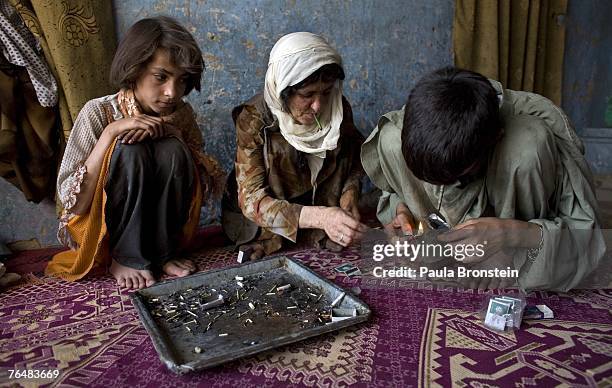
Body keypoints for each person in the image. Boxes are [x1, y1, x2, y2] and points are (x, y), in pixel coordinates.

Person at [361, 66, 605, 291]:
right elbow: (394, 193)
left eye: (459, 177)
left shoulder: (533, 134)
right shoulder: (410, 130)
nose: (445, 190)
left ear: (495, 139)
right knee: (391, 137)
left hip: (518, 243)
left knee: (526, 145)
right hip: (440, 242)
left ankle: (509, 261)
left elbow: (586, 239)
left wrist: (510, 235)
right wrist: (402, 211)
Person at [47, 16, 224, 290]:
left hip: (166, 232)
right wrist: (111, 134)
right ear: (134, 70)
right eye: (161, 77)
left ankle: (164, 253)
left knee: (174, 148)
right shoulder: (99, 112)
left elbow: (199, 183)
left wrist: (171, 132)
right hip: (103, 232)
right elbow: (76, 204)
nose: (171, 93)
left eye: (182, 81)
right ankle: (126, 256)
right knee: (130, 149)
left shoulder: (181, 114)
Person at [222, 32, 367, 260]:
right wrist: (322, 218)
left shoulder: (337, 109)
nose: (318, 106)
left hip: (318, 200)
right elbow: (251, 201)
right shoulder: (254, 119)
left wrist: (349, 194)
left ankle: (319, 228)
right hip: (264, 213)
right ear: (284, 92)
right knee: (282, 149)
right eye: (307, 95)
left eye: (326, 92)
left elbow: (355, 156)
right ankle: (278, 236)